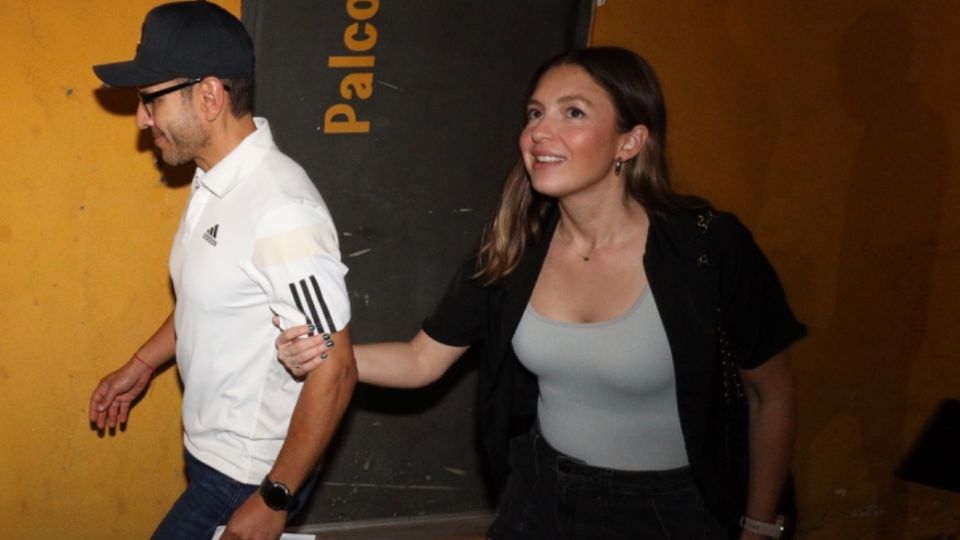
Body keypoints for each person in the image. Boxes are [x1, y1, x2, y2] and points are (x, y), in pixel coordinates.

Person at [277, 47, 804, 539]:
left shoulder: (706, 247)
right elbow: (421, 361)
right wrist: (325, 349)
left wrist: (760, 525)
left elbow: (770, 393)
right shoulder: (514, 247)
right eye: (534, 114)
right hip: (541, 494)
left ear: (630, 141)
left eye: (572, 113)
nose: (539, 133)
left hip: (673, 509)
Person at [87, 2, 356, 539]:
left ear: (209, 96)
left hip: (249, 475)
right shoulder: (213, 181)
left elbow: (337, 369)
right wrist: (142, 364)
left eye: (149, 100)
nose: (142, 119)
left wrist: (275, 498)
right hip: (213, 459)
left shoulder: (281, 210)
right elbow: (208, 300)